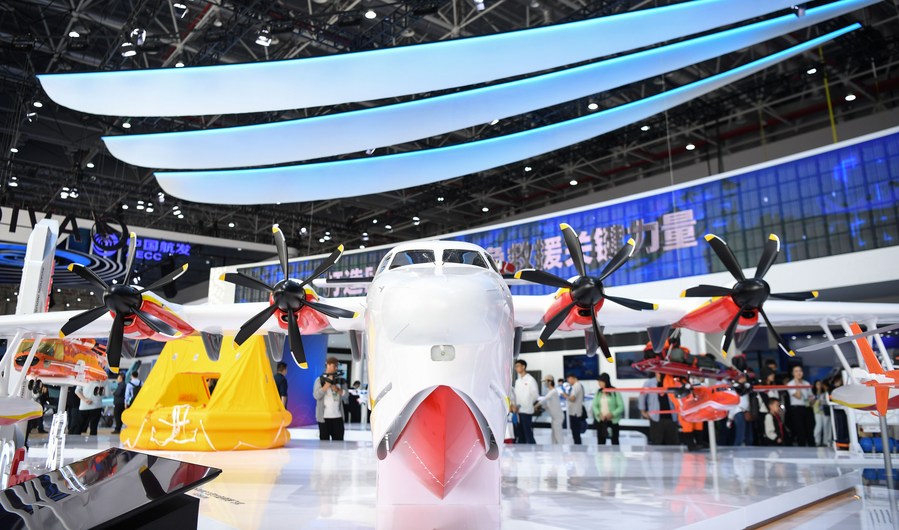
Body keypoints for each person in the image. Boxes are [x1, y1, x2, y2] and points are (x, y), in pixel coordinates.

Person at [639, 372, 679, 445]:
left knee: (672, 443)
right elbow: (642, 397)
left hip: (671, 417)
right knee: (657, 442)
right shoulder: (649, 383)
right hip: (655, 417)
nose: (660, 374)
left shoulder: (672, 382)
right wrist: (643, 411)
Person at [313, 357, 345, 441]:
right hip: (323, 418)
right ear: (328, 365)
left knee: (339, 443)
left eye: (337, 366)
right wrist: (326, 386)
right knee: (324, 443)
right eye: (335, 366)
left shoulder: (340, 380)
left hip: (338, 417)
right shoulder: (319, 380)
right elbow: (316, 396)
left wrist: (337, 389)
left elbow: (346, 395)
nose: (336, 368)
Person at [786, 365, 815, 447]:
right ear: (793, 373)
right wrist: (797, 384)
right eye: (796, 371)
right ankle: (802, 448)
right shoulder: (790, 384)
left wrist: (812, 399)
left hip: (807, 408)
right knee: (800, 431)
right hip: (797, 409)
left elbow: (811, 396)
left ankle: (812, 447)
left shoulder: (806, 383)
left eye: (800, 371)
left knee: (810, 430)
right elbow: (798, 396)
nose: (799, 373)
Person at [512, 359, 538, 444]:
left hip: (526, 411)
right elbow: (516, 395)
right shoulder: (517, 381)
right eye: (515, 367)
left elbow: (535, 395)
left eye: (517, 366)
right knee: (520, 434)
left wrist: (527, 404)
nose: (516, 368)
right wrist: (514, 406)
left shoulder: (530, 380)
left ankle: (533, 448)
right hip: (518, 411)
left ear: (523, 367)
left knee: (528, 433)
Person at [592, 373, 624, 445]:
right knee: (601, 443)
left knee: (615, 442)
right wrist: (599, 414)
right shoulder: (598, 392)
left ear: (605, 381)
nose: (599, 383)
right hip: (601, 421)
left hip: (613, 421)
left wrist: (612, 414)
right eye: (598, 382)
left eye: (600, 381)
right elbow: (594, 405)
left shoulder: (614, 391)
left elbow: (621, 406)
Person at [536, 376, 564, 444]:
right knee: (553, 436)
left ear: (550, 382)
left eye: (545, 381)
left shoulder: (553, 391)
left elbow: (545, 399)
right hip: (554, 418)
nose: (544, 383)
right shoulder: (550, 391)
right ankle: (555, 450)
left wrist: (536, 406)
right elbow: (548, 404)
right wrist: (543, 409)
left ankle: (561, 449)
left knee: (558, 436)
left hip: (558, 417)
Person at [561, 373, 586, 445]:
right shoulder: (576, 386)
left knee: (576, 433)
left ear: (572, 378)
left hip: (575, 413)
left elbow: (573, 398)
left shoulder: (576, 386)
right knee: (575, 433)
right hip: (574, 412)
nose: (568, 382)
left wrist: (565, 396)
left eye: (568, 380)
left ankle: (578, 448)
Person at [812, 379, 832, 448]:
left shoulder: (826, 393)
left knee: (827, 426)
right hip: (817, 412)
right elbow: (810, 403)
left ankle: (826, 442)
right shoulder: (813, 393)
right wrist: (817, 396)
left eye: (820, 384)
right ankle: (816, 441)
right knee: (819, 426)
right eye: (818, 384)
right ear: (815, 385)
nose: (819, 386)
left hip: (825, 411)